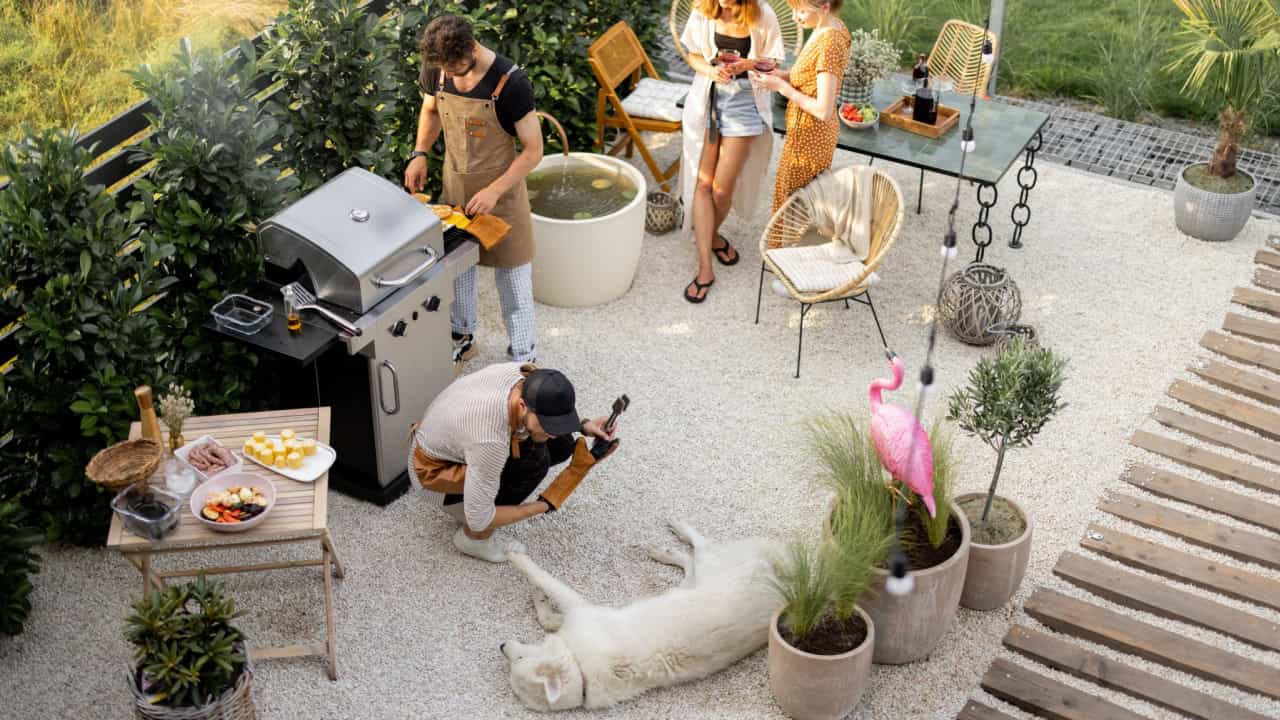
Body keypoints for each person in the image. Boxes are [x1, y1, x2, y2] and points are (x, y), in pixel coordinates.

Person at [406, 15, 543, 365]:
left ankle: (523, 359)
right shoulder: (438, 69)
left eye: (454, 67)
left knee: (513, 280)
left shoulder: (511, 83)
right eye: (442, 69)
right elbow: (431, 109)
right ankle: (463, 339)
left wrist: (495, 191)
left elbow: (533, 151)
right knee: (459, 271)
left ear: (472, 48)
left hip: (503, 196)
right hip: (457, 190)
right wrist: (420, 153)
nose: (447, 75)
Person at [408, 363, 620, 562]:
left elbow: (549, 418)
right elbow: (479, 519)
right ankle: (474, 540)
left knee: (562, 444)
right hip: (433, 477)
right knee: (534, 466)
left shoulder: (526, 374)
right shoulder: (490, 440)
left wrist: (584, 426)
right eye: (548, 425)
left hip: (453, 437)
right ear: (522, 405)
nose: (553, 433)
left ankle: (480, 496)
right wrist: (544, 504)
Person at [678, 0, 784, 303]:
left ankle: (710, 235)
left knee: (721, 189)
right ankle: (705, 268)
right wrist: (711, 72)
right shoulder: (704, 9)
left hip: (746, 102)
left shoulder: (762, 14)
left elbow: (773, 63)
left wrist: (747, 65)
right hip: (708, 96)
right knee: (703, 184)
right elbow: (693, 54)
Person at [753, 0, 850, 247]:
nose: (795, 17)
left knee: (796, 207)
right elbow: (811, 77)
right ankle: (787, 256)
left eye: (801, 10)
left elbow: (823, 109)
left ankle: (789, 262)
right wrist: (783, 75)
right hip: (804, 133)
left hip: (810, 139)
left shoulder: (829, 43)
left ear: (824, 6)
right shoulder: (829, 26)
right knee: (795, 201)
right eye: (793, 9)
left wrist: (781, 87)